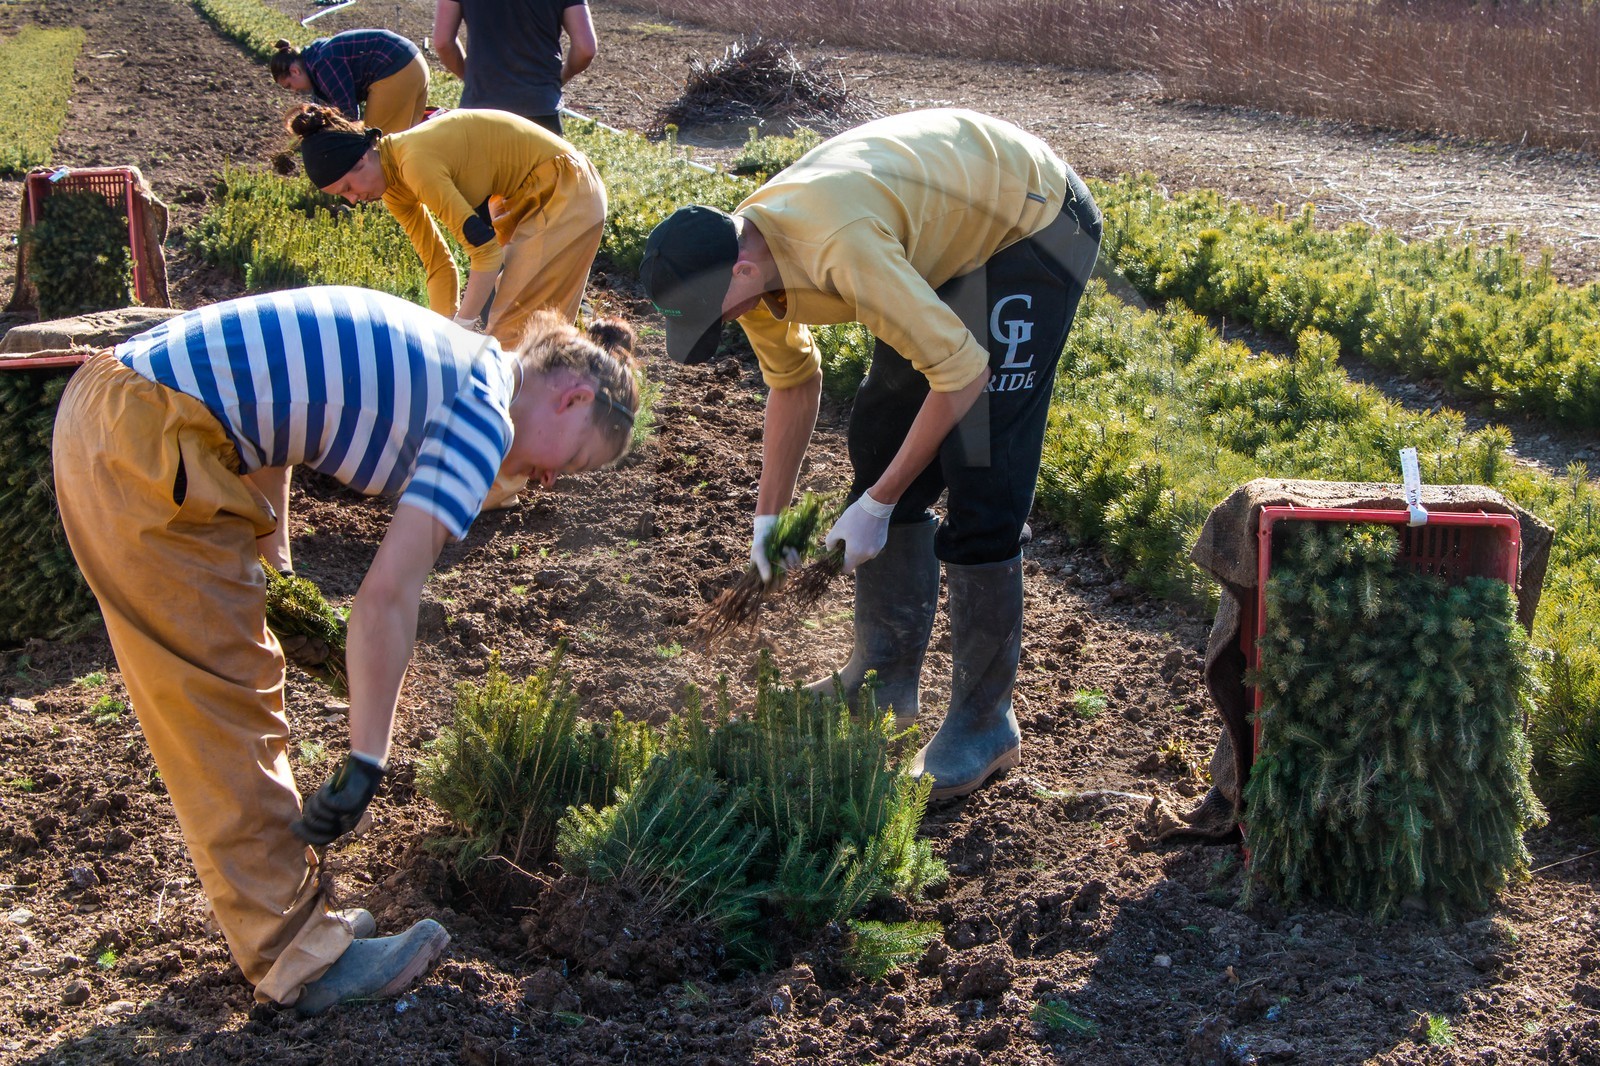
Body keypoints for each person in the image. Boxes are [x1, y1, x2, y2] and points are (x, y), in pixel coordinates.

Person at [52, 285, 639, 1014]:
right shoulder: (484, 416)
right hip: (145, 433)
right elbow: (388, 598)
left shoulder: (463, 362)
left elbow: (271, 419)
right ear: (573, 398)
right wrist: (367, 760)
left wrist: (277, 571)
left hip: (134, 411)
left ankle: (296, 927)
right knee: (222, 698)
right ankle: (298, 956)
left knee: (240, 674)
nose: (549, 484)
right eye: (573, 465)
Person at [640, 108, 1102, 801]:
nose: (726, 325)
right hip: (938, 237)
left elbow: (964, 373)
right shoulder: (752, 266)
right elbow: (793, 384)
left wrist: (879, 505)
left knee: (981, 464)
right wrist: (768, 522)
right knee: (880, 435)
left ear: (740, 267)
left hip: (1031, 221)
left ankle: (984, 724)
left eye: (717, 313)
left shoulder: (838, 244)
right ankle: (884, 680)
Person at [431, 0, 597, 136]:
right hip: (541, 108)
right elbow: (585, 49)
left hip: (480, 108)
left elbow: (443, 42)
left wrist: (472, 79)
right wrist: (562, 77)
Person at [270, 31, 431, 136]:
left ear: (294, 71)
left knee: (378, 145)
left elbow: (348, 115)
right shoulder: (317, 53)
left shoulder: (323, 65)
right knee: (409, 140)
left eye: (289, 85)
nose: (294, 91)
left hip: (395, 70)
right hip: (415, 63)